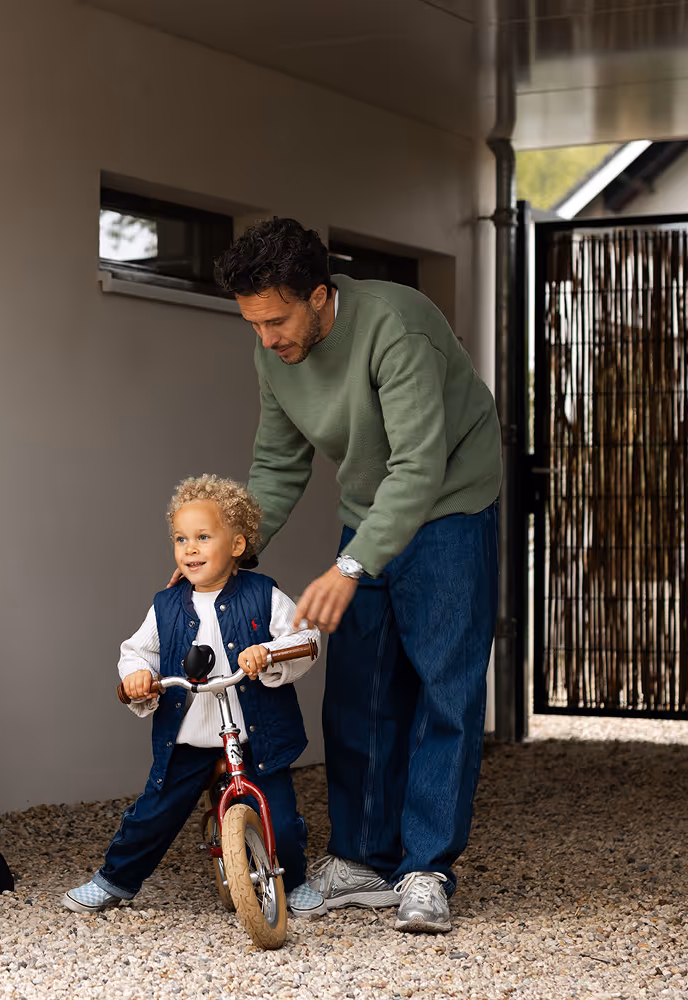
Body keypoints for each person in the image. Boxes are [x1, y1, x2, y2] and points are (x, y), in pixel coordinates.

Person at [216, 218, 500, 934]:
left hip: (450, 505)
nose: (267, 339)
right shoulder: (274, 353)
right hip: (371, 509)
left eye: (276, 320)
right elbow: (278, 467)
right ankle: (364, 859)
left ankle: (426, 868)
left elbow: (419, 467)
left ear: (319, 295)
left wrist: (351, 564)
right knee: (357, 694)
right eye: (253, 325)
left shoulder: (396, 328)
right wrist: (232, 550)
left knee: (444, 692)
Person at [63, 475, 326, 917]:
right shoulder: (166, 604)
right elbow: (137, 651)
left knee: (278, 814)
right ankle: (115, 880)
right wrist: (137, 676)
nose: (190, 549)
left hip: (254, 733)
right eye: (181, 539)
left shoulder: (264, 595)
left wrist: (269, 652)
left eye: (204, 537)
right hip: (191, 735)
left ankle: (293, 881)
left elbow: (307, 638)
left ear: (237, 545)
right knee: (156, 810)